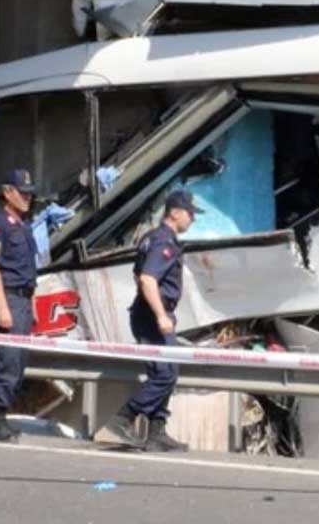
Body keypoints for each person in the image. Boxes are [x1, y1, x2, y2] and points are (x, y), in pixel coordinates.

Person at [105, 189, 200, 453]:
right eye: (190, 214)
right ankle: (124, 417)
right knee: (165, 374)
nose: (192, 219)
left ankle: (156, 432)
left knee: (168, 372)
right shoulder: (164, 242)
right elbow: (147, 279)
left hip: (147, 313)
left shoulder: (150, 238)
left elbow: (138, 275)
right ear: (175, 212)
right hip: (152, 317)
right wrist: (159, 314)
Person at [0, 169, 38, 443]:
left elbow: (28, 270)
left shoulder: (23, 226)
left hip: (23, 300)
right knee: (8, 361)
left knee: (19, 362)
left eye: (29, 192)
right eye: (22, 192)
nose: (28, 197)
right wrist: (3, 308)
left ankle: (1, 417)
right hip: (8, 299)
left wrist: (33, 305)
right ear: (8, 192)